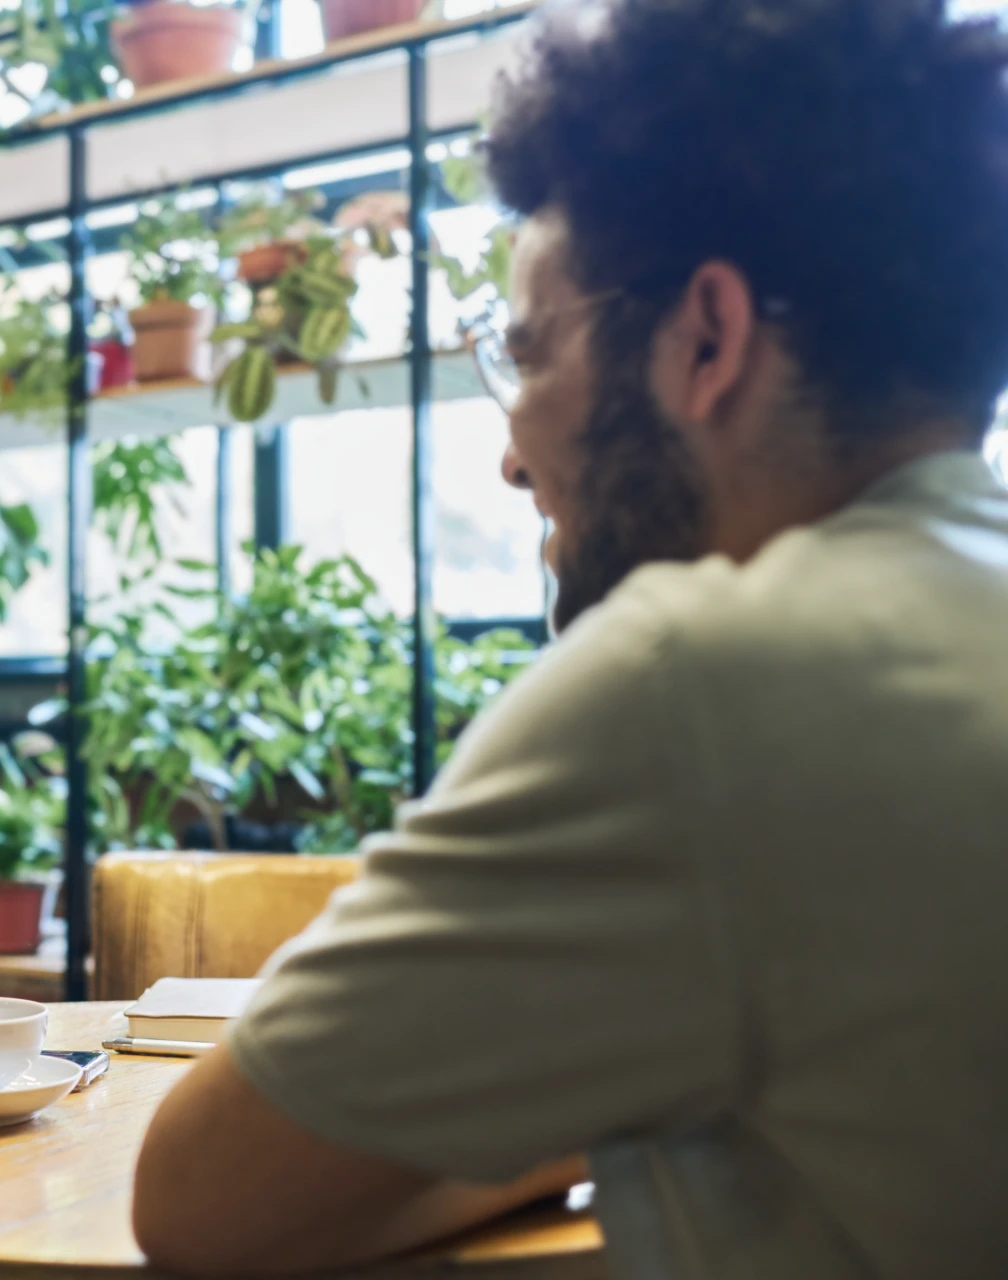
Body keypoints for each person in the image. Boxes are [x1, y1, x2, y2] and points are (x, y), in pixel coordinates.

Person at [133, 1, 1008, 1276]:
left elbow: (201, 1204)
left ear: (705, 340)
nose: (507, 451)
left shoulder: (706, 677)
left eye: (528, 357)